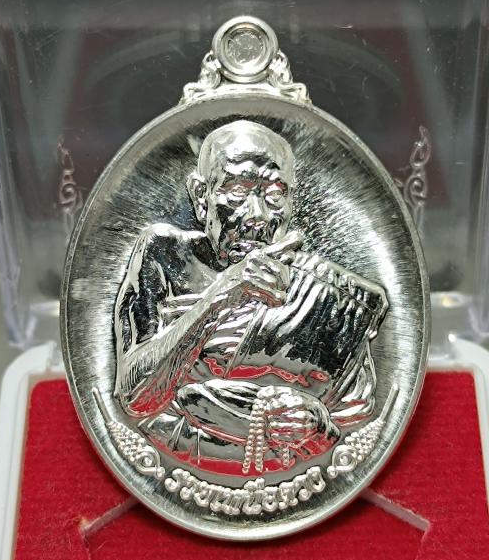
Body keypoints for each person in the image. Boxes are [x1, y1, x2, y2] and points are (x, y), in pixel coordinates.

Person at [114, 120, 387, 475]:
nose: (257, 217)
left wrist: (314, 422)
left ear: (292, 199)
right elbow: (136, 399)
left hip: (287, 471)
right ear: (201, 196)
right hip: (174, 455)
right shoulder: (166, 254)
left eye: (274, 195)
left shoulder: (332, 296)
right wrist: (222, 295)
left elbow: (352, 418)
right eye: (238, 191)